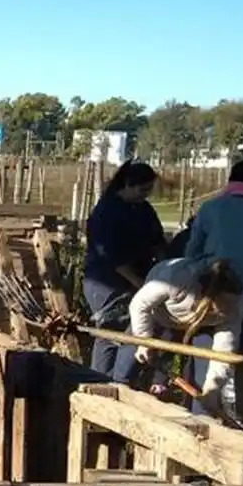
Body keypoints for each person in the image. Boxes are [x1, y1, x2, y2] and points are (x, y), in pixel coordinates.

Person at [185, 159, 243, 421]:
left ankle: (200, 408)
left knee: (205, 349)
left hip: (214, 289)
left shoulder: (211, 207)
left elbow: (193, 248)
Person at [127, 258, 243, 415]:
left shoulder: (234, 308)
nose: (228, 311)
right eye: (224, 306)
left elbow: (224, 351)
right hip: (156, 316)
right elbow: (139, 305)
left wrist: (212, 390)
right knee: (129, 364)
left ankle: (201, 420)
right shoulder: (175, 279)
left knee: (204, 381)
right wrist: (144, 341)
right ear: (209, 296)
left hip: (202, 326)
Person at [81, 161, 164, 381]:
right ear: (127, 184)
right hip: (106, 281)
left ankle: (114, 381)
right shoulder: (107, 212)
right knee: (115, 331)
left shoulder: (143, 210)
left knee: (133, 328)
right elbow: (111, 255)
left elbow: (157, 241)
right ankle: (109, 382)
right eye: (142, 190)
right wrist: (139, 283)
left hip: (140, 278)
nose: (145, 195)